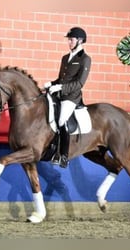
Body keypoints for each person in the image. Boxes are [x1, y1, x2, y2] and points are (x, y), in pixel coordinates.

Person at [44, 27, 91, 168]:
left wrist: (60, 88)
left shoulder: (85, 59)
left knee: (62, 119)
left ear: (80, 41)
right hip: (60, 94)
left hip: (72, 97)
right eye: (69, 40)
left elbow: (79, 83)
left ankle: (63, 155)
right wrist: (51, 84)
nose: (69, 42)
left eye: (71, 39)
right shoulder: (65, 58)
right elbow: (61, 78)